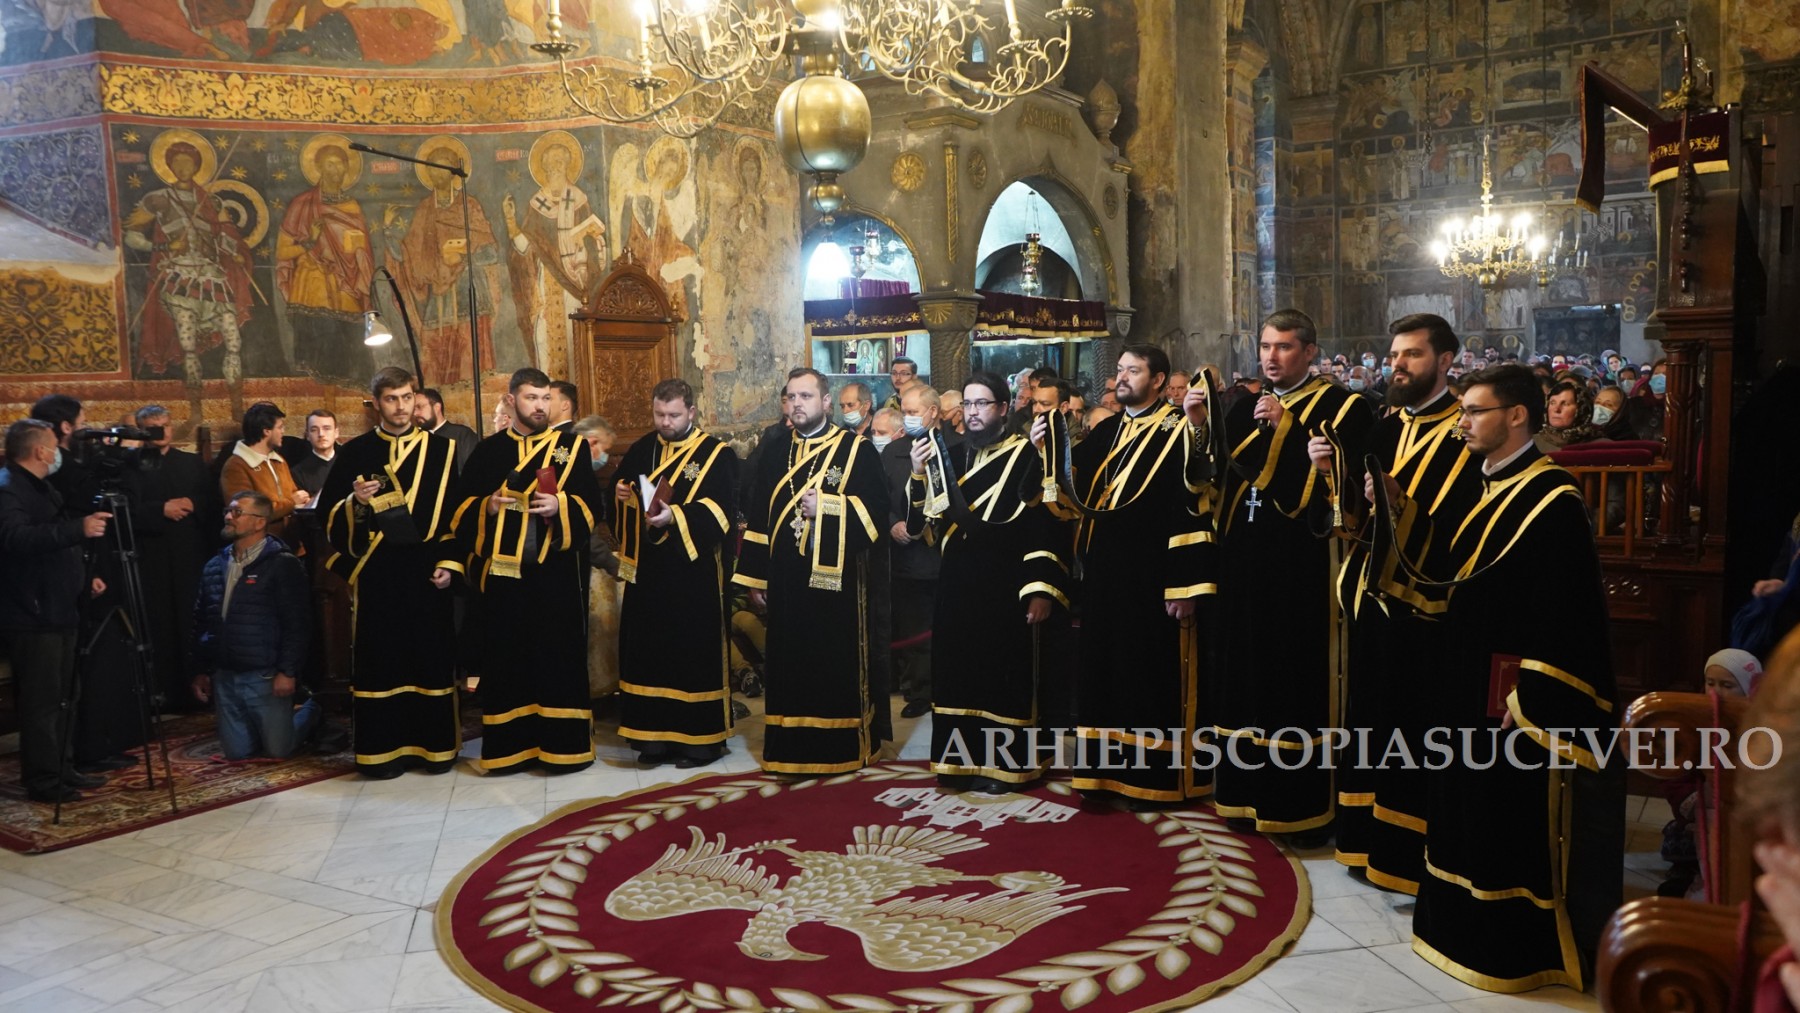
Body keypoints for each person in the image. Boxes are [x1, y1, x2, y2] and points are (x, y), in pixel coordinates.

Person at [1400, 363, 1623, 992]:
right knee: (1461, 806)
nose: (1462, 422)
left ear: (1517, 415)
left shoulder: (1551, 498)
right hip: (1463, 673)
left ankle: (1507, 945)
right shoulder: (1483, 484)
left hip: (1513, 695)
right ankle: (1455, 926)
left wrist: (1530, 692)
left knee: (1501, 812)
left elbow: (1567, 608)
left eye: (1474, 411)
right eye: (1463, 411)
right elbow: (1448, 575)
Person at [1319, 314, 1481, 894]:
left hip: (1425, 607)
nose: (1398, 365)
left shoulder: (1466, 431)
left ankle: (1407, 854)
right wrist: (1335, 480)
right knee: (1369, 715)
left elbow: (1461, 522)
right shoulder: (1386, 426)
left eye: (1412, 355)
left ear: (1445, 360)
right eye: (1394, 355)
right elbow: (1358, 522)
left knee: (1411, 727)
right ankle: (1364, 842)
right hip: (1372, 597)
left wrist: (1398, 501)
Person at [1216, 308, 1374, 842]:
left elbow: (1349, 487)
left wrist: (1288, 430)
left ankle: (1300, 807)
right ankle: (1242, 794)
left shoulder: (1345, 406)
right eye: (1265, 346)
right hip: (1247, 564)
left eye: (1283, 347)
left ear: (1309, 352)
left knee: (1293, 680)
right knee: (1246, 677)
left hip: (1305, 568)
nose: (1271, 357)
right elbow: (1224, 477)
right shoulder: (1242, 409)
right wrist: (1198, 425)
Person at [1047, 343, 1215, 806]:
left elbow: (1195, 509)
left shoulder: (1181, 430)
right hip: (1104, 576)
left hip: (1154, 578)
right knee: (1104, 675)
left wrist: (1185, 582)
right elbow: (1070, 488)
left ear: (1158, 380)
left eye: (1133, 371)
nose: (1122, 378)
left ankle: (1151, 782)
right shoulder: (1108, 432)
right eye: (1119, 370)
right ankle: (1101, 777)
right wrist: (1050, 452)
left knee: (1146, 679)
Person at [914, 372, 1068, 791]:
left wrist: (1040, 587)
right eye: (967, 404)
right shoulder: (953, 456)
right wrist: (917, 474)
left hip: (1006, 583)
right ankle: (957, 762)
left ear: (1003, 409)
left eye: (982, 404)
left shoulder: (1025, 455)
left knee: (1000, 674)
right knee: (957, 671)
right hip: (957, 583)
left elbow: (1043, 527)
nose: (973, 412)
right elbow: (924, 525)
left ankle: (1003, 766)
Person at [446, 367, 604, 774]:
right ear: (513, 399)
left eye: (545, 398)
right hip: (506, 579)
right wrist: (489, 507)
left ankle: (563, 749)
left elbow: (593, 507)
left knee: (558, 659)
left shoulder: (572, 448)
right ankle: (511, 750)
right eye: (532, 398)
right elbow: (460, 513)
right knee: (509, 659)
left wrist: (560, 507)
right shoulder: (488, 451)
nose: (540, 406)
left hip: (556, 577)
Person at [733, 367, 889, 774]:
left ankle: (838, 748)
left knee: (829, 664)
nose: (797, 404)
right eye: (791, 397)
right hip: (785, 580)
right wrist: (755, 578)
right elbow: (759, 517)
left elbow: (875, 516)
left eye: (806, 396)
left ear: (825, 402)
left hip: (835, 586)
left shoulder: (857, 451)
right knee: (789, 662)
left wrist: (830, 508)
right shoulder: (775, 449)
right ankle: (791, 749)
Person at [319, 367, 464, 778]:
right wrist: (356, 502)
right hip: (378, 574)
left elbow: (456, 516)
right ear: (376, 403)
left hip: (425, 574)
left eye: (406, 398)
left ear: (415, 398)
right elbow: (330, 520)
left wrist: (448, 564)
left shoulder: (442, 450)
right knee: (382, 658)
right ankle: (383, 753)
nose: (400, 407)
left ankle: (434, 750)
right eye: (391, 399)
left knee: (429, 655)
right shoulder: (357, 452)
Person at [611, 378, 740, 769]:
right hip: (650, 575)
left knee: (690, 654)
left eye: (673, 415)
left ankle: (700, 743)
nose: (664, 422)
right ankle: (652, 740)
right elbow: (621, 498)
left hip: (693, 573)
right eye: (658, 414)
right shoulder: (642, 449)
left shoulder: (717, 455)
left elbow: (722, 513)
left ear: (691, 412)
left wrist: (676, 516)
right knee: (650, 652)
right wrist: (622, 499)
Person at [0, 420, 110, 802]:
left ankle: (64, 767)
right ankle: (44, 779)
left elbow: (54, 542)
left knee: (66, 695)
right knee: (42, 702)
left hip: (60, 606)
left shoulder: (42, 487)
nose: (58, 451)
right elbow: (17, 538)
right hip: (32, 614)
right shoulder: (8, 488)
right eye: (54, 446)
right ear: (40, 452)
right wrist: (77, 529)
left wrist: (81, 577)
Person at [191, 491, 321, 760]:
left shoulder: (283, 564)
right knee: (237, 753)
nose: (228, 517)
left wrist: (288, 671)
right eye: (228, 511)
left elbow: (297, 623)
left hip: (264, 675)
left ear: (260, 522)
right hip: (225, 675)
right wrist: (202, 670)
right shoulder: (215, 565)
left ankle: (314, 709)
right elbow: (201, 620)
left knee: (277, 750)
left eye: (237, 512)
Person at [124, 405, 214, 711]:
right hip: (153, 559)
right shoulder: (130, 466)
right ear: (140, 430)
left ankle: (196, 692)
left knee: (192, 620)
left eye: (164, 425)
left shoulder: (191, 463)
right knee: (158, 623)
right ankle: (162, 695)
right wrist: (159, 510)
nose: (160, 432)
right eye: (152, 427)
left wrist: (194, 502)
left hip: (189, 555)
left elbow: (212, 503)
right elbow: (123, 512)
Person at [885, 383, 953, 721]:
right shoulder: (893, 452)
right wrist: (892, 523)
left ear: (933, 412)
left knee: (948, 627)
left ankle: (949, 687)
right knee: (913, 628)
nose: (909, 418)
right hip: (908, 558)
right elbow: (879, 498)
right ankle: (919, 690)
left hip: (946, 556)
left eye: (914, 412)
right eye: (905, 412)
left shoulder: (956, 447)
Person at [220, 402, 311, 544]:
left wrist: (303, 502)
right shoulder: (236, 466)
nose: (283, 431)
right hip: (260, 547)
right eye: (280, 427)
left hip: (289, 542)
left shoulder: (278, 460)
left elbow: (292, 494)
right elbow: (247, 512)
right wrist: (291, 503)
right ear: (266, 431)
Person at [414, 388, 479, 471]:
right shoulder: (417, 438)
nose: (415, 413)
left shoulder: (462, 435)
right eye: (413, 409)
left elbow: (474, 470)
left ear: (437, 407)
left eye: (419, 407)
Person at [291, 409, 339, 498]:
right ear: (308, 436)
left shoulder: (349, 465)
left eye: (326, 428)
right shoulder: (298, 473)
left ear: (336, 433)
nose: (321, 434)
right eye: (314, 430)